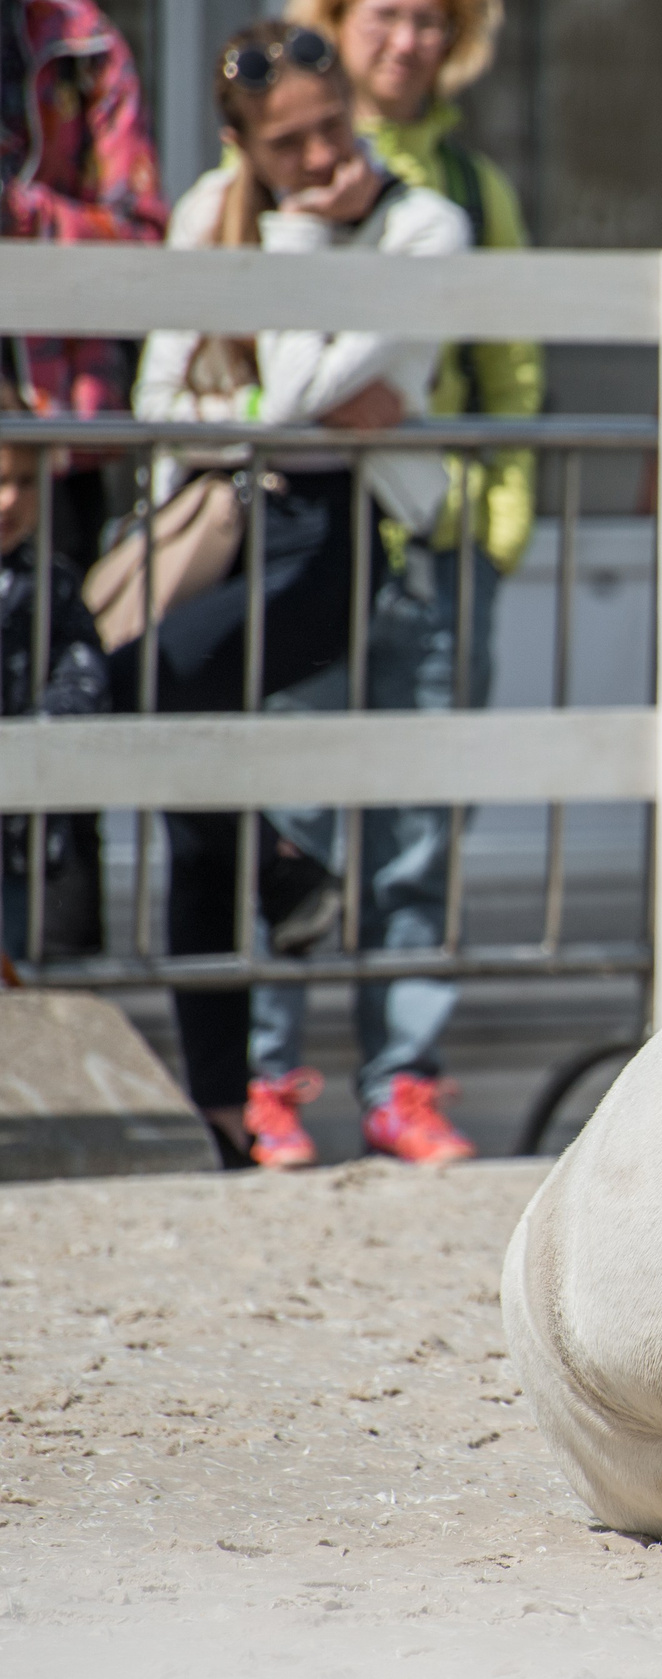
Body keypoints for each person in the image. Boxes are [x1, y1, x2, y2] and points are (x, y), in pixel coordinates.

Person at [126, 21, 472, 1169]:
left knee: (193, 735)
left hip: (341, 538)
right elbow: (165, 399)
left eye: (334, 130)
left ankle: (265, 1077)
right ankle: (229, 1095)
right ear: (241, 148)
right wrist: (279, 407)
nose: (323, 159)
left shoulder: (422, 221)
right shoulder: (200, 217)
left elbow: (296, 384)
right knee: (185, 778)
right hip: (228, 528)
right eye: (289, 149)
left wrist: (294, 242)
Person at [241, 0, 545, 1167]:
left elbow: (514, 359)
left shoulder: (469, 181)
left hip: (433, 536)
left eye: (432, 19)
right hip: (309, 540)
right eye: (386, 13)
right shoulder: (263, 154)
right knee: (291, 812)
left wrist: (496, 510)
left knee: (423, 823)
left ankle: (401, 1079)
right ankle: (270, 1074)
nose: (408, 39)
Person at [2, 0, 167, 570]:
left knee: (55, 640)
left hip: (58, 435)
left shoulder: (84, 43)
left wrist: (24, 217)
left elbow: (142, 239)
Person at [0, 380, 110, 962]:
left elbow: (83, 675)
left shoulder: (52, 584)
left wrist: (43, 731)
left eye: (24, 483)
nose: (9, 501)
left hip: (16, 838)